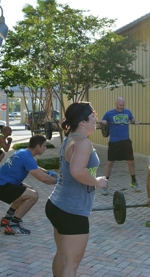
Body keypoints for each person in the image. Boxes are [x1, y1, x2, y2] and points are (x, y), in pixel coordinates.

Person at [45, 101, 108, 277]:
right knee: (71, 264)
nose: (96, 118)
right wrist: (97, 182)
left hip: (57, 205)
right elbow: (77, 171)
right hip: (71, 210)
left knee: (63, 255)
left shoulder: (71, 138)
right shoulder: (82, 143)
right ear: (82, 121)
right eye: (92, 116)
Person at [0, 134, 58, 235]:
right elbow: (43, 179)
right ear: (38, 146)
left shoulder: (23, 153)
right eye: (44, 146)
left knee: (28, 189)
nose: (45, 148)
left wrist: (49, 172)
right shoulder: (26, 156)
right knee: (33, 195)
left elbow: (35, 167)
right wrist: (59, 181)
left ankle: (7, 218)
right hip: (1, 186)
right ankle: (13, 226)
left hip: (1, 184)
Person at [100, 97, 140, 195]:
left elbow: (132, 119)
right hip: (114, 141)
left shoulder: (127, 112)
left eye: (123, 105)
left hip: (126, 140)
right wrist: (103, 123)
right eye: (120, 105)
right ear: (116, 104)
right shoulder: (109, 114)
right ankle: (105, 185)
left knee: (131, 162)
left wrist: (135, 121)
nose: (122, 107)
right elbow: (100, 125)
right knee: (110, 163)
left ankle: (134, 181)